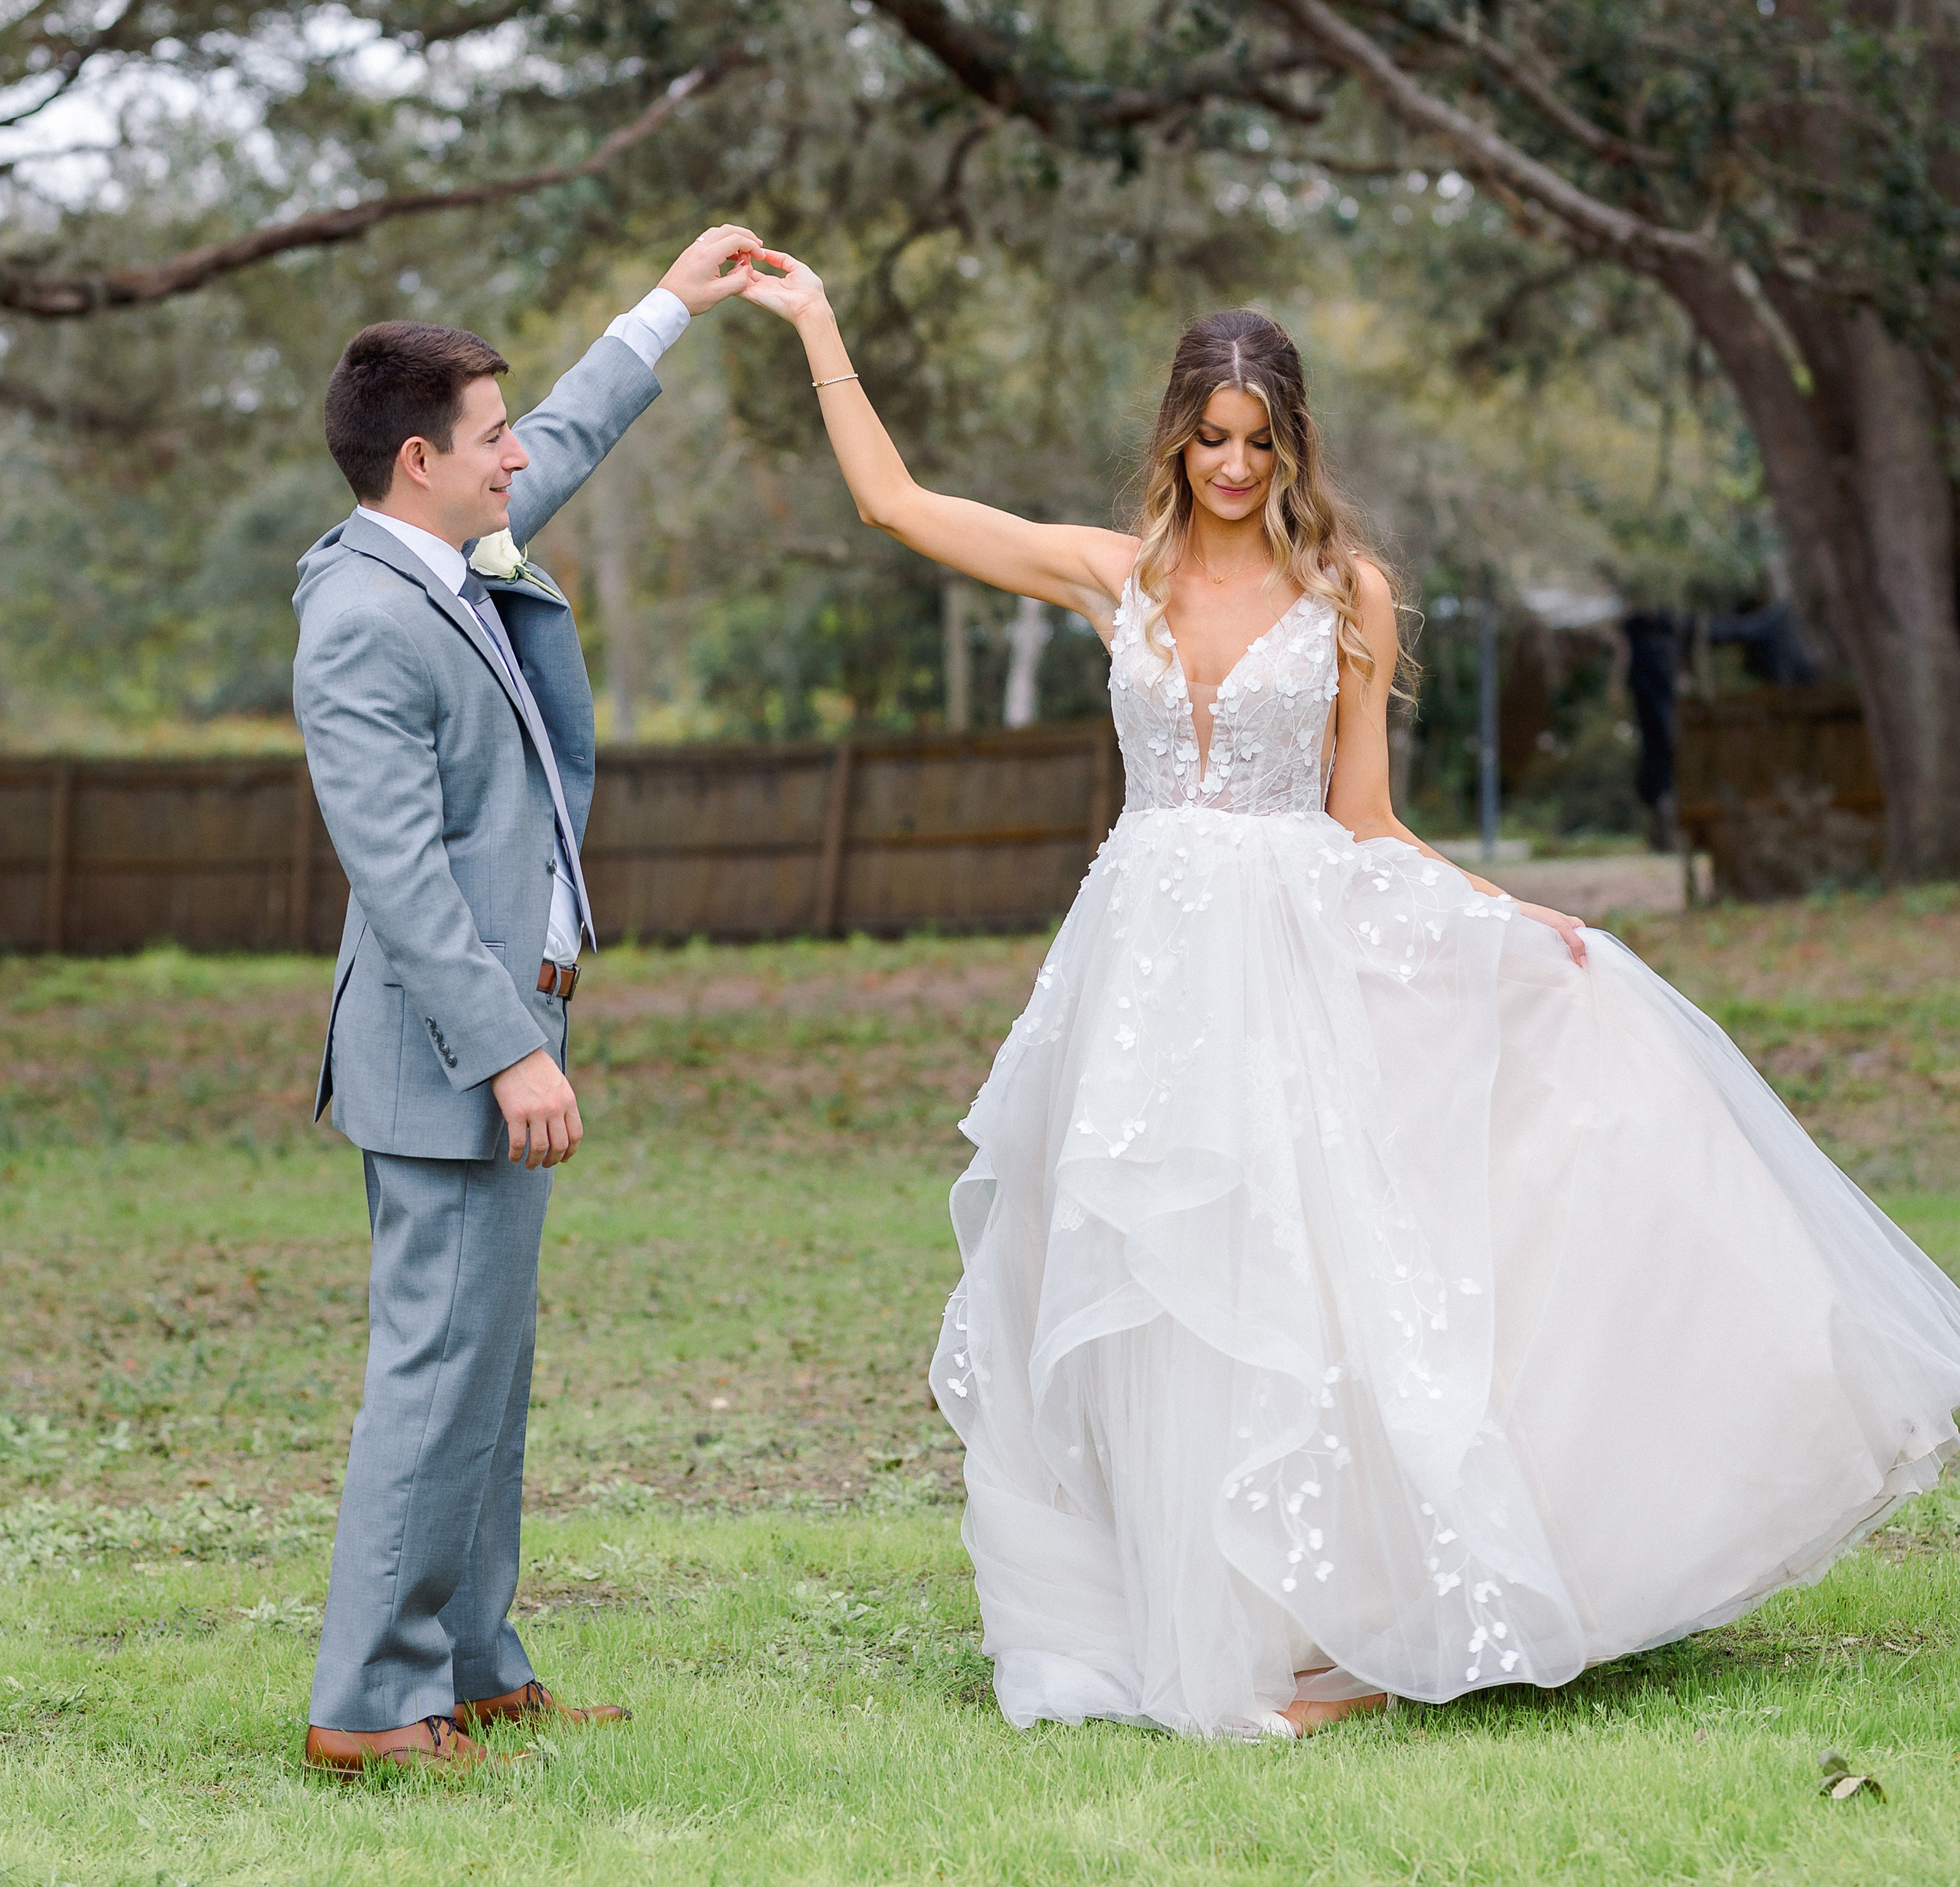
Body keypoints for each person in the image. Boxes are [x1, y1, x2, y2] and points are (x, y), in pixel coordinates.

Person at [742, 270, 1960, 1738]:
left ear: (1295, 442)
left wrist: (1509, 919)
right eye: (1212, 440)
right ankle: (1186, 1616)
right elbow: (897, 504)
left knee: (1308, 1274)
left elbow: (1368, 815)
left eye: (1261, 441)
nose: (1237, 469)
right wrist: (816, 323)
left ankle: (1352, 1631)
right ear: (1177, 441)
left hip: (1295, 960)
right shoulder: (1112, 572)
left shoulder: (1347, 597)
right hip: (1137, 974)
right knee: (1143, 1275)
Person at [292, 224, 760, 1776]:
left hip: (508, 1032)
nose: (516, 460)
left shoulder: (447, 545)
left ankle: (473, 1664)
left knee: (486, 1368)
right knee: (434, 1373)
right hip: (451, 1054)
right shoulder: (361, 618)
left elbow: (558, 434)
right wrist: (508, 1053)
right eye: (489, 441)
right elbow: (402, 875)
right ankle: (369, 1703)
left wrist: (666, 310)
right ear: (421, 459)